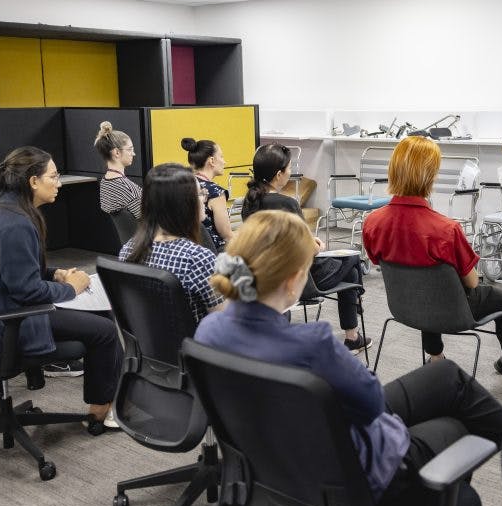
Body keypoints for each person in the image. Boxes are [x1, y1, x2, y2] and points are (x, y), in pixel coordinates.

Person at [194, 210, 502, 506]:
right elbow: (369, 404)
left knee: (447, 377)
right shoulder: (310, 344)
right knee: (457, 424)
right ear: (295, 277)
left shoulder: (210, 331)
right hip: (356, 473)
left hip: (276, 463)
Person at [0, 146, 121, 427]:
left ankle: (102, 405)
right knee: (105, 330)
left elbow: (9, 270)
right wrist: (72, 289)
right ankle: (100, 411)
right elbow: (26, 291)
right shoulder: (16, 223)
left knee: (101, 316)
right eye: (53, 177)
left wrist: (54, 274)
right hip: (4, 323)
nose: (58, 183)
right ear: (33, 181)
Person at [363, 136, 502, 374]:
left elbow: (377, 261)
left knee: (426, 287)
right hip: (455, 310)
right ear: (431, 176)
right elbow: (471, 282)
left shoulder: (372, 223)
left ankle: (436, 357)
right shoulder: (446, 230)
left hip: (404, 306)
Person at [241, 143, 370, 353]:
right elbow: (307, 249)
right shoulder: (286, 204)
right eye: (289, 168)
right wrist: (315, 243)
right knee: (353, 263)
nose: (291, 173)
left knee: (353, 268)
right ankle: (353, 335)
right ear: (278, 174)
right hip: (300, 280)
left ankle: (354, 331)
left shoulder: (250, 201)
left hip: (262, 276)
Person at [119, 163, 223, 324]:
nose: (204, 198)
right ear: (183, 204)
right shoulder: (197, 259)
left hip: (150, 345)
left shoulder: (128, 250)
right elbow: (223, 320)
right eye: (200, 194)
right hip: (198, 346)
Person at [181, 137, 232, 253]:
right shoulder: (215, 192)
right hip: (214, 252)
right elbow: (227, 234)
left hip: (187, 248)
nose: (224, 162)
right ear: (212, 161)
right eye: (222, 157)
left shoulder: (182, 184)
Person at [94, 121, 142, 219]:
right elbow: (150, 222)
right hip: (146, 233)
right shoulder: (128, 189)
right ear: (116, 152)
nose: (133, 154)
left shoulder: (105, 182)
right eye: (130, 149)